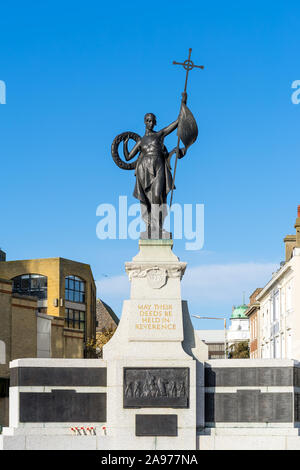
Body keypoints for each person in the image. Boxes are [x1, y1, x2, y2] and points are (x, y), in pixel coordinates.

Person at [123, 94, 187, 238]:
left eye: (152, 121)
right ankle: (151, 227)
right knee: (148, 200)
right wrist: (125, 144)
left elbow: (177, 122)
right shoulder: (141, 141)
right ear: (144, 122)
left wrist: (183, 103)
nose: (150, 123)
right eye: (148, 120)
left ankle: (158, 228)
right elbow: (128, 157)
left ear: (155, 123)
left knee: (158, 195)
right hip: (144, 169)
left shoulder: (160, 135)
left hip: (158, 165)